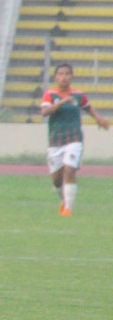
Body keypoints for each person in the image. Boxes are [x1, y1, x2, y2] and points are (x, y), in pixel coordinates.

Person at [40, 62, 109, 216]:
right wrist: (61, 102)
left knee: (70, 170)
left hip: (74, 139)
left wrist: (99, 118)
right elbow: (44, 112)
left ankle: (68, 210)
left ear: (72, 76)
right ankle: (64, 201)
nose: (64, 77)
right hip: (55, 141)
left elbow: (88, 107)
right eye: (61, 74)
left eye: (67, 73)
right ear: (56, 77)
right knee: (57, 180)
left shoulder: (78, 95)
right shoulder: (50, 95)